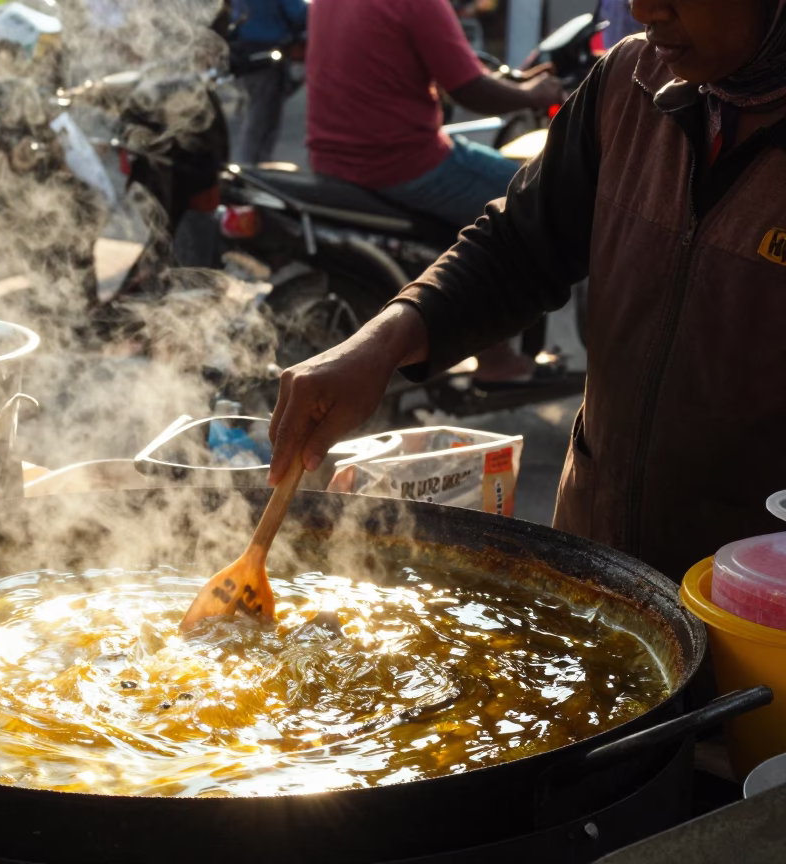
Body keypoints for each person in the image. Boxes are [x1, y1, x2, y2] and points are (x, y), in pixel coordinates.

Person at [269, 0, 786, 583]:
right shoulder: (627, 82)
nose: (642, 10)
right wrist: (380, 343)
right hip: (596, 558)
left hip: (754, 598)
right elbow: (519, 246)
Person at [307, 0, 566, 384]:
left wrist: (516, 84)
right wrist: (534, 94)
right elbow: (470, 90)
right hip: (402, 161)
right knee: (528, 195)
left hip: (333, 157)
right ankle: (497, 358)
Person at [228, 0, 308, 165]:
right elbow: (299, 15)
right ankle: (253, 166)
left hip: (245, 54)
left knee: (258, 112)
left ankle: (254, 163)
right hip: (269, 54)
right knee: (262, 118)